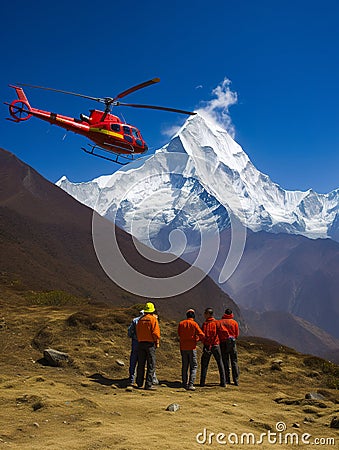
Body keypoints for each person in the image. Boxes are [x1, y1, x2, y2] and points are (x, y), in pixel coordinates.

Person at [177, 309, 205, 391]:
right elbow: (202, 334)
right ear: (193, 316)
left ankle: (184, 383)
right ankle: (191, 384)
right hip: (192, 347)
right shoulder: (194, 324)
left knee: (185, 366)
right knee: (193, 366)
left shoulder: (181, 323)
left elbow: (179, 334)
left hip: (183, 347)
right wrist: (197, 339)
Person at [136, 301, 160, 390]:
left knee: (141, 364)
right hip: (150, 344)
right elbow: (156, 333)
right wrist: (156, 342)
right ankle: (148, 384)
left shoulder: (140, 320)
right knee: (151, 364)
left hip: (141, 343)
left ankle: (139, 383)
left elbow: (137, 332)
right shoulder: (153, 320)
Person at [200, 308, 226, 387]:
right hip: (215, 345)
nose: (204, 314)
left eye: (205, 313)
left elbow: (202, 335)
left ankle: (202, 382)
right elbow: (222, 332)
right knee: (220, 363)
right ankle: (223, 382)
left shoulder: (205, 324)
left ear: (208, 314)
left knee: (204, 364)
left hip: (207, 346)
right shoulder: (217, 323)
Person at [218, 308, 240, 385]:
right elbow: (236, 334)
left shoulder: (220, 322)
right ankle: (236, 380)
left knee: (225, 360)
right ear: (231, 314)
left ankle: (227, 379)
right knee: (234, 360)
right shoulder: (234, 322)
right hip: (232, 342)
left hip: (223, 342)